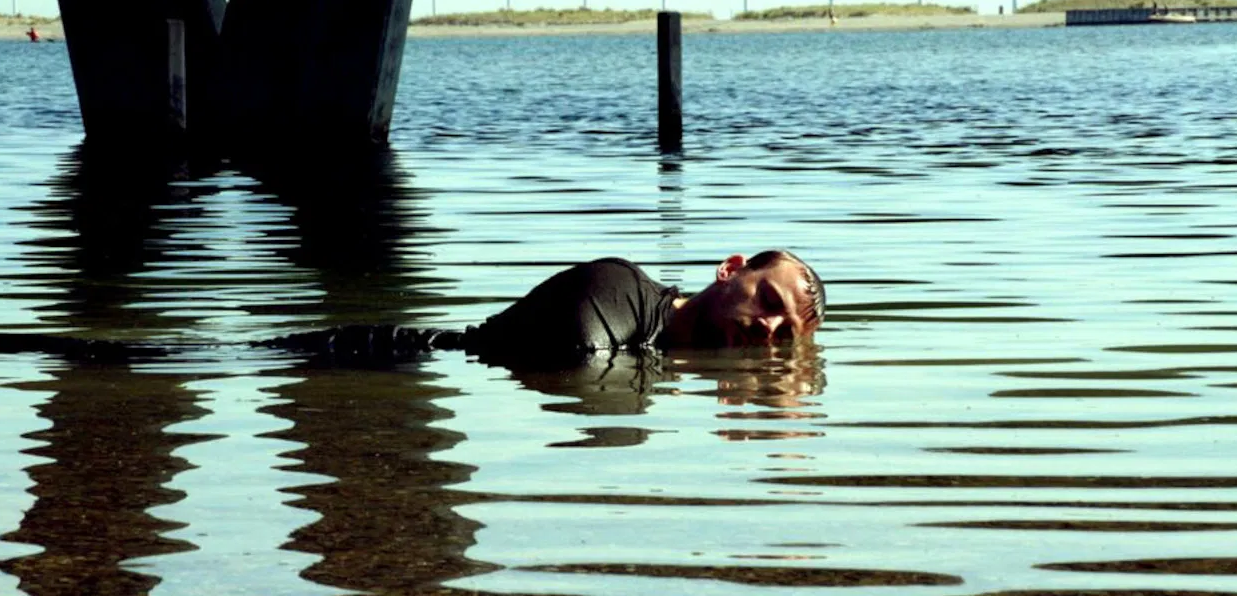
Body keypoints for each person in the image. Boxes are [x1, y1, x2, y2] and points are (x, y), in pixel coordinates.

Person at [263, 249, 826, 368]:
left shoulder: (654, 347)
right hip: (365, 353)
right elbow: (581, 364)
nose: (768, 328)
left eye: (785, 335)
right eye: (769, 300)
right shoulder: (617, 287)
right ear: (729, 270)